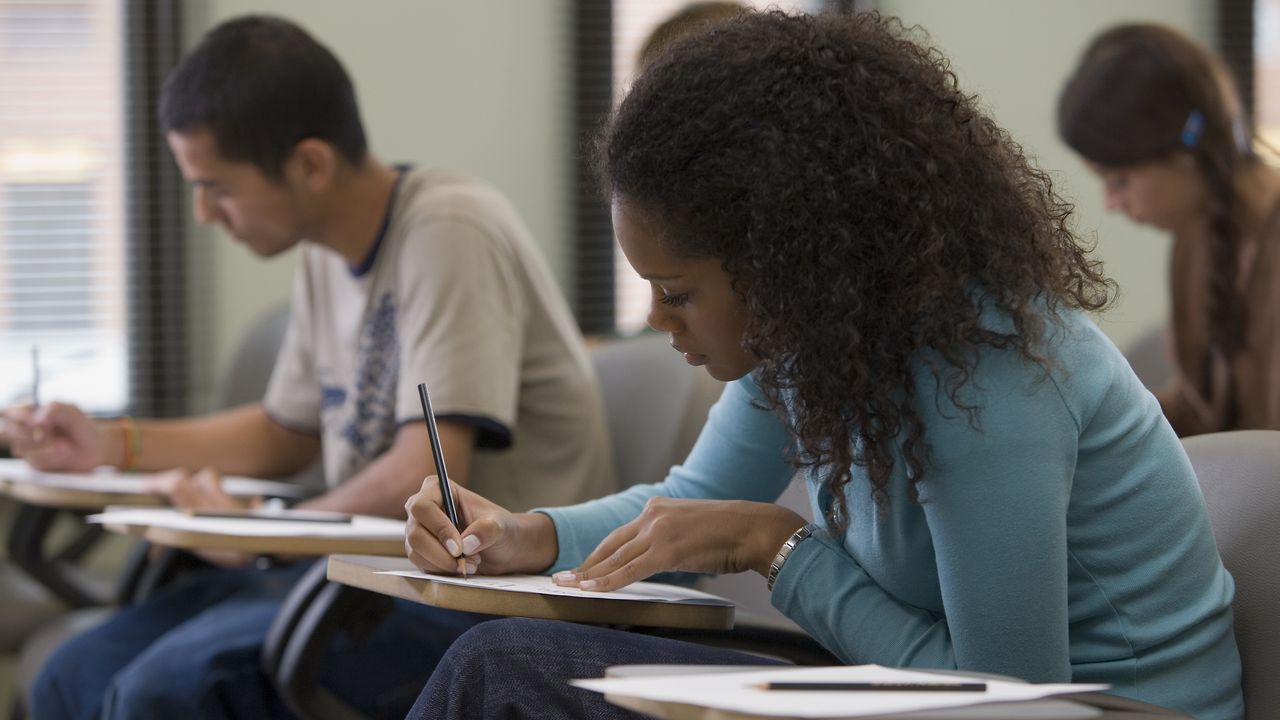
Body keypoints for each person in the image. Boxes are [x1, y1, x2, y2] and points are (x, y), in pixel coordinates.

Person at [401, 11, 1243, 720]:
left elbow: (1009, 703)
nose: (656, 320)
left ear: (784, 265)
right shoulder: (814, 340)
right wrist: (527, 536)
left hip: (1087, 715)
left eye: (677, 293)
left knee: (505, 671)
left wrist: (776, 546)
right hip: (922, 696)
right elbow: (688, 511)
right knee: (509, 663)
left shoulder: (986, 379)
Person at [0, 15, 614, 720]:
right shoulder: (325, 250)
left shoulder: (449, 229)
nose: (203, 213)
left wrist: (259, 528)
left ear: (311, 165)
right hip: (355, 577)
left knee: (166, 692)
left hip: (471, 596)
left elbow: (428, 469)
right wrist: (111, 444)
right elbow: (280, 431)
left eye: (217, 187)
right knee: (74, 671)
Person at [1058, 23, 1280, 436]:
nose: (1110, 204)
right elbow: (1201, 410)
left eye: (1119, 180)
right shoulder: (1198, 237)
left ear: (1184, 152)